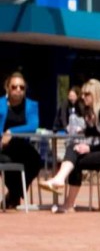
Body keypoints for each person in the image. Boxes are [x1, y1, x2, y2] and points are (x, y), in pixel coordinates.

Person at [37, 79, 100, 213]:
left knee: (76, 158)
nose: (82, 97)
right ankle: (62, 185)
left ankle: (64, 192)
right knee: (74, 149)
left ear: (96, 94)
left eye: (87, 94)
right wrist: (87, 131)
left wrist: (90, 148)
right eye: (83, 94)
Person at [0, 71, 44, 208]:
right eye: (14, 87)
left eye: (22, 87)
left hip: (21, 147)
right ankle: (15, 194)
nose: (18, 90)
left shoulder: (31, 105)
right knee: (5, 162)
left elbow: (33, 126)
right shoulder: (0, 103)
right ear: (8, 88)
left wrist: (11, 132)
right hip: (3, 148)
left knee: (36, 160)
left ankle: (14, 194)